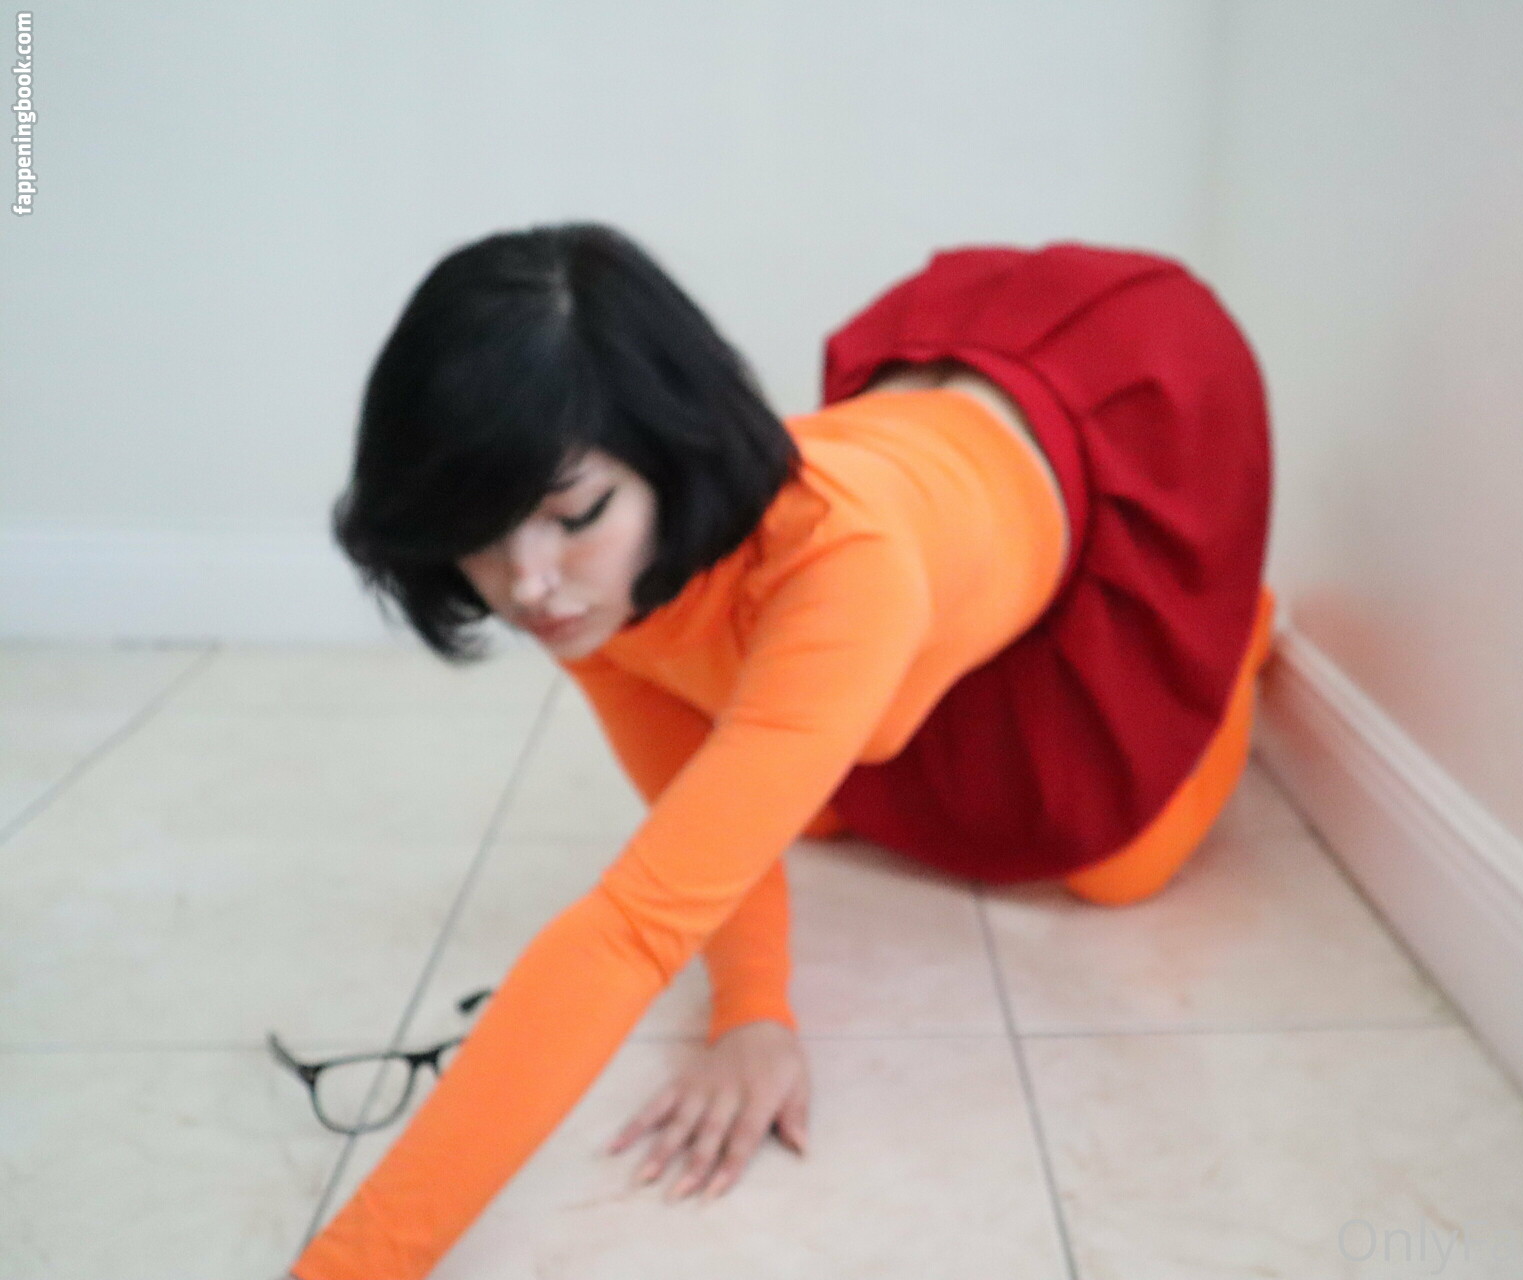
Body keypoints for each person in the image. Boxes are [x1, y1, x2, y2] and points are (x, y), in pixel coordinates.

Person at [289, 224, 1273, 1280]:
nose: (527, 583)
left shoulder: (842, 568)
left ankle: (1239, 631)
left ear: (668, 459)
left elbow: (633, 927)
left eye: (576, 514)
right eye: (481, 533)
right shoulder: (588, 594)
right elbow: (685, 815)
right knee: (809, 809)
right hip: (930, 476)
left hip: (1120, 410)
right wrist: (753, 1011)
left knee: (1118, 867)